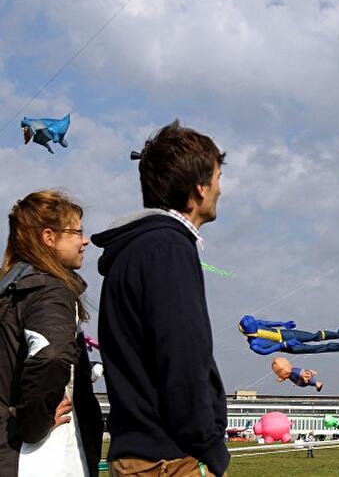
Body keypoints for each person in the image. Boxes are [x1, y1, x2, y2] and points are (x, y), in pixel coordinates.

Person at [92, 121, 229, 476]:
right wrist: (211, 450)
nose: (221, 190)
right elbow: (183, 358)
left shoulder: (140, 248)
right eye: (217, 178)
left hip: (143, 453)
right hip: (168, 458)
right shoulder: (167, 248)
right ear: (199, 188)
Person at [0, 190, 103, 475]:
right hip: (41, 456)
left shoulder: (10, 288)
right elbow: (52, 354)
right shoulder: (49, 290)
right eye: (77, 232)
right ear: (48, 237)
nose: (85, 241)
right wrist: (35, 422)